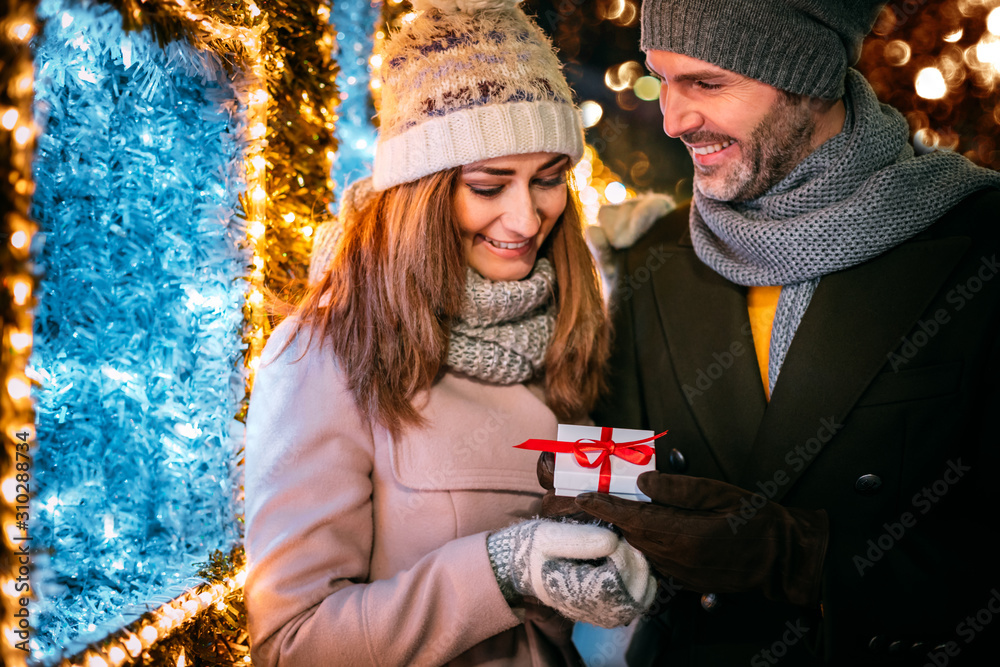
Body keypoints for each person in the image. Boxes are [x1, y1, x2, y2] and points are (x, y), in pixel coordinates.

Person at [539, 0, 1000, 665]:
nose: (673, 118)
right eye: (661, 77)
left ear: (808, 74)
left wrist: (807, 561)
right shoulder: (649, 260)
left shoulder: (979, 246)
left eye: (706, 82)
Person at [242, 0, 657, 665]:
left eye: (549, 179)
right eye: (489, 186)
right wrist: (501, 569)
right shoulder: (326, 356)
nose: (525, 217)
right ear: (422, 191)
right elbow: (292, 645)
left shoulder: (563, 331)